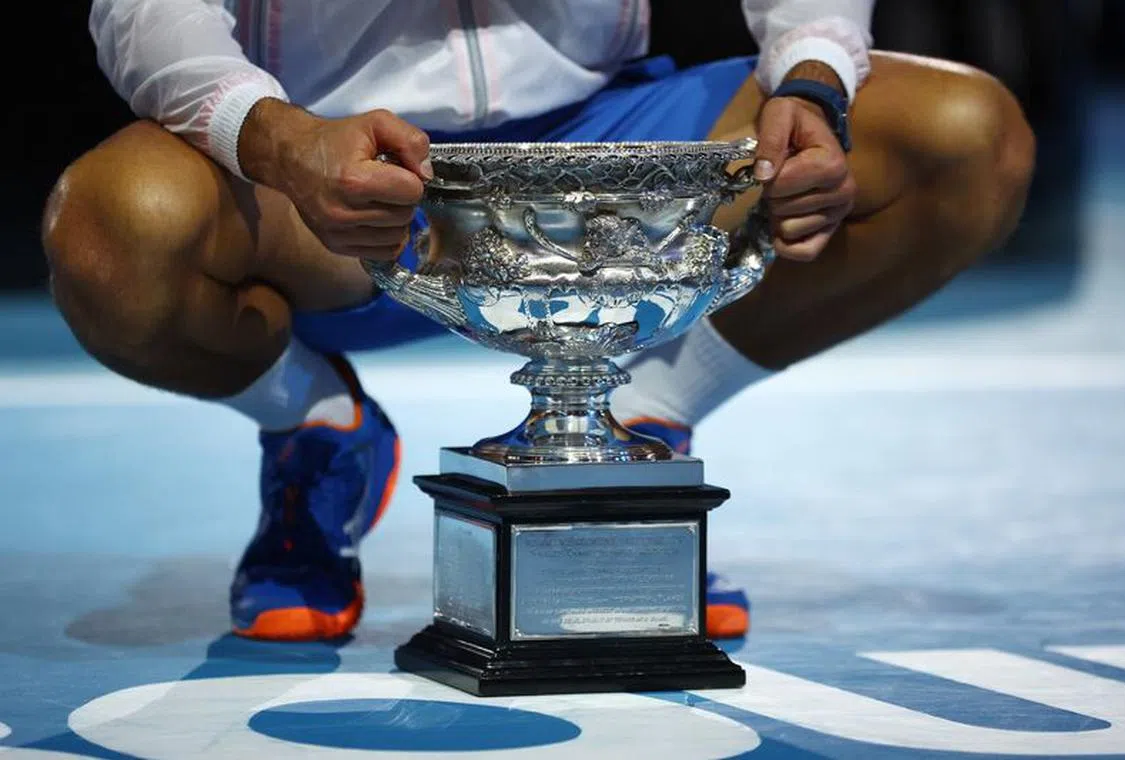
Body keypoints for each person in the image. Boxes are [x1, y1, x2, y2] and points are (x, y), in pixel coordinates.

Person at [42, 0, 1034, 642]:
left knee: (966, 139)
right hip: (339, 169)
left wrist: (813, 83)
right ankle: (316, 429)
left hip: (608, 147)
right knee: (113, 227)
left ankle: (636, 423)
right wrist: (279, 138)